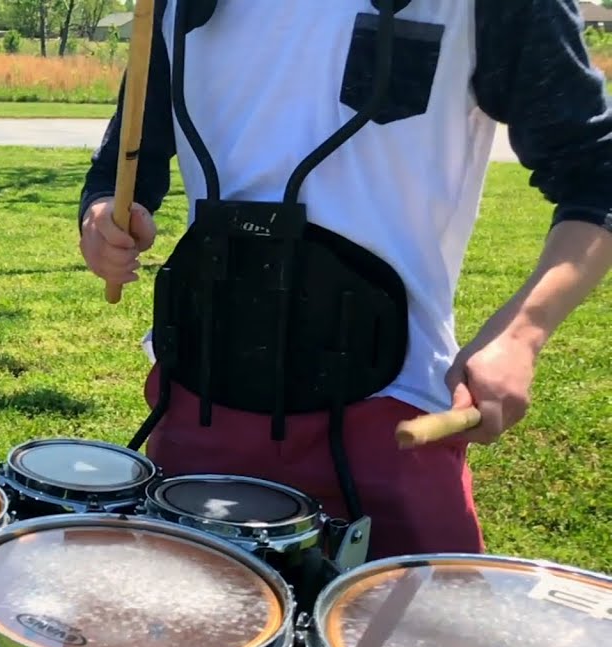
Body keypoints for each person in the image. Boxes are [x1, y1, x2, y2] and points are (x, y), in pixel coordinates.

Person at [78, 0, 612, 561]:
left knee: (422, 619)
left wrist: (521, 335)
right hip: (200, 403)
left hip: (392, 413)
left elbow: (596, 179)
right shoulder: (166, 4)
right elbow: (123, 164)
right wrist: (102, 216)